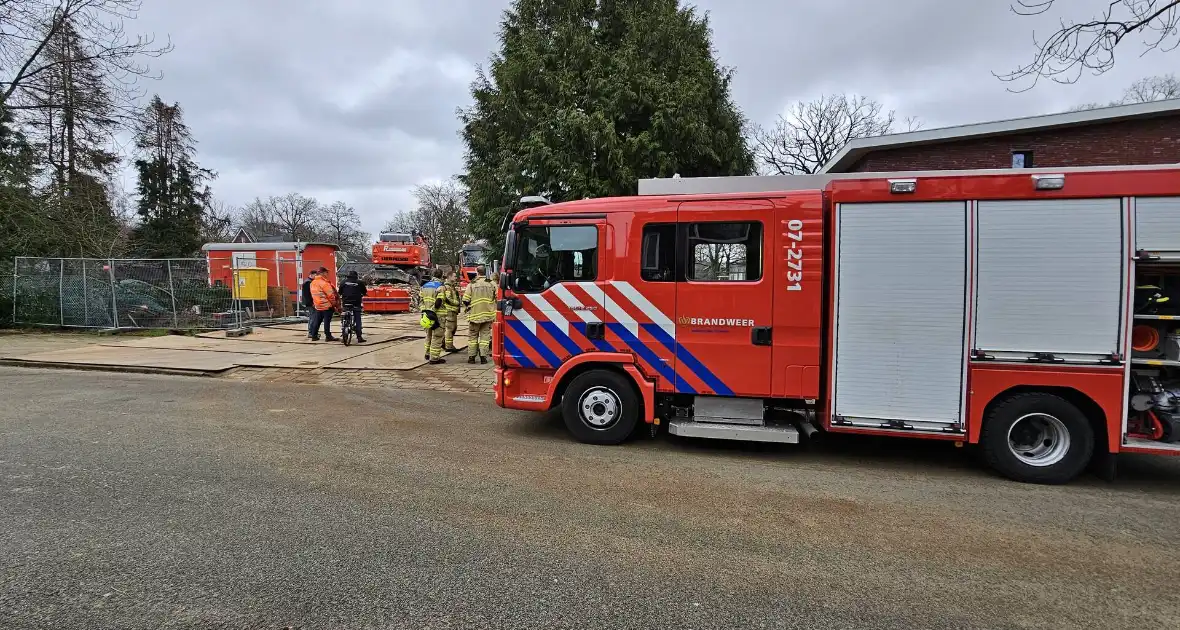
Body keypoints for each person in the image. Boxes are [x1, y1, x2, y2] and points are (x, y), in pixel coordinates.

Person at [463, 265, 496, 364]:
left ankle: (472, 357)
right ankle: (483, 357)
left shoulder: (472, 284)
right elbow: (498, 298)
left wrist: (469, 307)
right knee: (485, 337)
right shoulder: (492, 283)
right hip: (488, 315)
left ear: (477, 272)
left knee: (473, 337)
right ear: (486, 272)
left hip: (474, 316)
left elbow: (465, 300)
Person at [419, 267, 446, 364]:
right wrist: (433, 310)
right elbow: (439, 301)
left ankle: (427, 353)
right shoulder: (441, 286)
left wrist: (424, 311)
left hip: (426, 315)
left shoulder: (424, 286)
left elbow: (420, 301)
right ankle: (434, 358)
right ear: (442, 275)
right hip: (437, 316)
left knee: (428, 335)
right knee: (437, 336)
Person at [309, 266, 338, 342]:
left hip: (318, 305)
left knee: (317, 321)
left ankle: (314, 335)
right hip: (326, 306)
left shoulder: (313, 283)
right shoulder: (324, 283)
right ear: (322, 273)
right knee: (327, 322)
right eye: (326, 272)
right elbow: (330, 295)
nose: (327, 274)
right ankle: (328, 336)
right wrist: (334, 304)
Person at [338, 270, 368, 343]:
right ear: (356, 276)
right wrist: (363, 294)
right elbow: (364, 291)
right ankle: (359, 337)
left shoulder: (343, 282)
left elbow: (340, 292)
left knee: (344, 315)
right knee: (357, 318)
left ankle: (344, 329)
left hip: (346, 302)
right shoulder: (359, 282)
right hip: (356, 303)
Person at [440, 270, 461, 352]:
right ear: (449, 277)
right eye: (454, 276)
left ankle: (444, 343)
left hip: (453, 311)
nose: (456, 278)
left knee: (453, 328)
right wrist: (457, 303)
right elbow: (448, 299)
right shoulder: (447, 287)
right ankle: (448, 346)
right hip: (450, 311)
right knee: (450, 328)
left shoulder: (451, 286)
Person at [301, 269, 318, 339]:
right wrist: (311, 303)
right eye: (315, 275)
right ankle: (311, 332)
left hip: (312, 302)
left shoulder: (310, 281)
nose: (316, 277)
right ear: (312, 274)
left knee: (313, 317)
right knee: (313, 317)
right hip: (311, 303)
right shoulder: (308, 282)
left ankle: (313, 332)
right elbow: (307, 295)